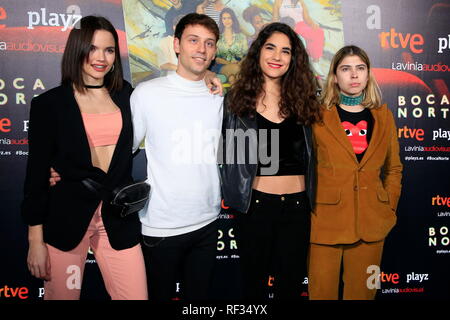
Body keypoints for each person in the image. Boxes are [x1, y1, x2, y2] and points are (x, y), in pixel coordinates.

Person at [21, 16, 148, 300]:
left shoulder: (127, 95)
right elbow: (36, 175)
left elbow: (170, 94)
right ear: (77, 50)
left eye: (109, 50)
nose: (100, 58)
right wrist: (35, 240)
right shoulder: (49, 104)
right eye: (92, 48)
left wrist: (208, 77)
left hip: (117, 218)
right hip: (66, 217)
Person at [219, 22, 321, 300]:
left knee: (290, 288)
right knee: (254, 288)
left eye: (285, 51)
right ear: (258, 52)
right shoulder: (236, 100)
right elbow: (228, 155)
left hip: (298, 208)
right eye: (270, 48)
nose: (277, 57)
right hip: (256, 207)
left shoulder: (305, 100)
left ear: (293, 59)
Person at [130, 13, 223, 301]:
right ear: (176, 44)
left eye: (209, 43)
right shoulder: (147, 94)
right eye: (193, 40)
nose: (201, 49)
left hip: (208, 221)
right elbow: (122, 150)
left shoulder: (218, 95)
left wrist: (212, 78)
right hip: (161, 224)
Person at [308, 45, 403, 300]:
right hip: (325, 224)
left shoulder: (384, 116)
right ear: (334, 76)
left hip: (372, 225)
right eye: (346, 69)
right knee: (321, 295)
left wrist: (388, 207)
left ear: (368, 74)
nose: (354, 75)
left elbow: (393, 168)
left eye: (360, 68)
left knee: (364, 295)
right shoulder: (316, 116)